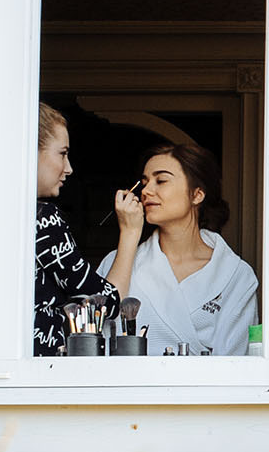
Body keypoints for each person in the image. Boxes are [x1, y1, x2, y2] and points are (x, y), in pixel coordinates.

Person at [101, 142, 258, 356]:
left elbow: (234, 362)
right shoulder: (117, 262)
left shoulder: (235, 275)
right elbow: (96, 338)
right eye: (145, 182)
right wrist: (128, 234)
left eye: (161, 180)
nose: (146, 191)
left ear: (197, 195)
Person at [35, 104, 141, 355]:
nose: (69, 168)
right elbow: (106, 304)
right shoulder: (42, 219)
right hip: (37, 373)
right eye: (62, 154)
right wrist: (130, 231)